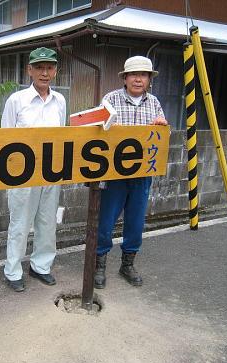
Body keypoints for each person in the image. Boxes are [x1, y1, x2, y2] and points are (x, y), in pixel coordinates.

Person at [95, 56, 168, 289]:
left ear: (149, 79)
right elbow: (98, 130)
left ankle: (127, 264)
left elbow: (161, 134)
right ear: (125, 78)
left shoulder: (154, 102)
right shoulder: (111, 99)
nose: (138, 79)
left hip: (142, 173)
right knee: (105, 220)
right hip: (114, 173)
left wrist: (161, 125)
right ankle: (99, 265)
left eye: (144, 75)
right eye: (133, 74)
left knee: (136, 222)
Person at [1, 47, 67, 292]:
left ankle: (41, 266)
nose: (45, 72)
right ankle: (13, 270)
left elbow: (61, 135)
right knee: (20, 223)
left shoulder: (59, 100)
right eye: (39, 67)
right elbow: (6, 139)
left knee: (47, 222)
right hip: (21, 173)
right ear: (29, 70)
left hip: (51, 170)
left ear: (56, 71)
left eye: (49, 67)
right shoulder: (16, 100)